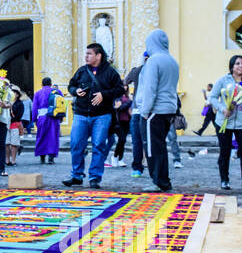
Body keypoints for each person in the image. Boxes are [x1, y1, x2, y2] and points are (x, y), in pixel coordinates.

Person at [63, 43, 125, 188]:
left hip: (102, 115)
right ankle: (76, 175)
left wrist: (104, 94)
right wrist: (76, 90)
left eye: (89, 54)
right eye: (86, 54)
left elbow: (120, 90)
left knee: (99, 146)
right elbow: (71, 85)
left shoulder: (110, 72)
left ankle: (95, 177)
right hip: (81, 114)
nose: (86, 56)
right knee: (76, 144)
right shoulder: (82, 71)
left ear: (98, 55)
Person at [133, 29, 180, 192]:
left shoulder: (154, 61)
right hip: (168, 109)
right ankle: (163, 180)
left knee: (152, 147)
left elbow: (150, 88)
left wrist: (144, 112)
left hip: (154, 110)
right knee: (160, 146)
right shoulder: (172, 60)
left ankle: (159, 181)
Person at [209, 54, 242, 190]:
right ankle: (225, 180)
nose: (240, 66)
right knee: (225, 151)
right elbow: (212, 97)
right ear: (231, 66)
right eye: (237, 63)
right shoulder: (223, 81)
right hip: (224, 121)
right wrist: (221, 109)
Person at [31, 77, 61, 164]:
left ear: (42, 84)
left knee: (41, 136)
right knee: (53, 136)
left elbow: (34, 108)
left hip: (42, 117)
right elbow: (63, 104)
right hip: (54, 117)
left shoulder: (38, 93)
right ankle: (51, 157)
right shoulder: (57, 92)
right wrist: (61, 117)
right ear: (51, 84)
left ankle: (42, 156)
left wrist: (34, 119)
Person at [6, 88, 24, 168]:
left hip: (15, 125)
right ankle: (7, 160)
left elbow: (19, 115)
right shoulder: (6, 102)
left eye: (15, 93)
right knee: (6, 143)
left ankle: (13, 160)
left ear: (17, 94)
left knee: (14, 144)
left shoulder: (20, 103)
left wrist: (10, 119)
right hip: (6, 125)